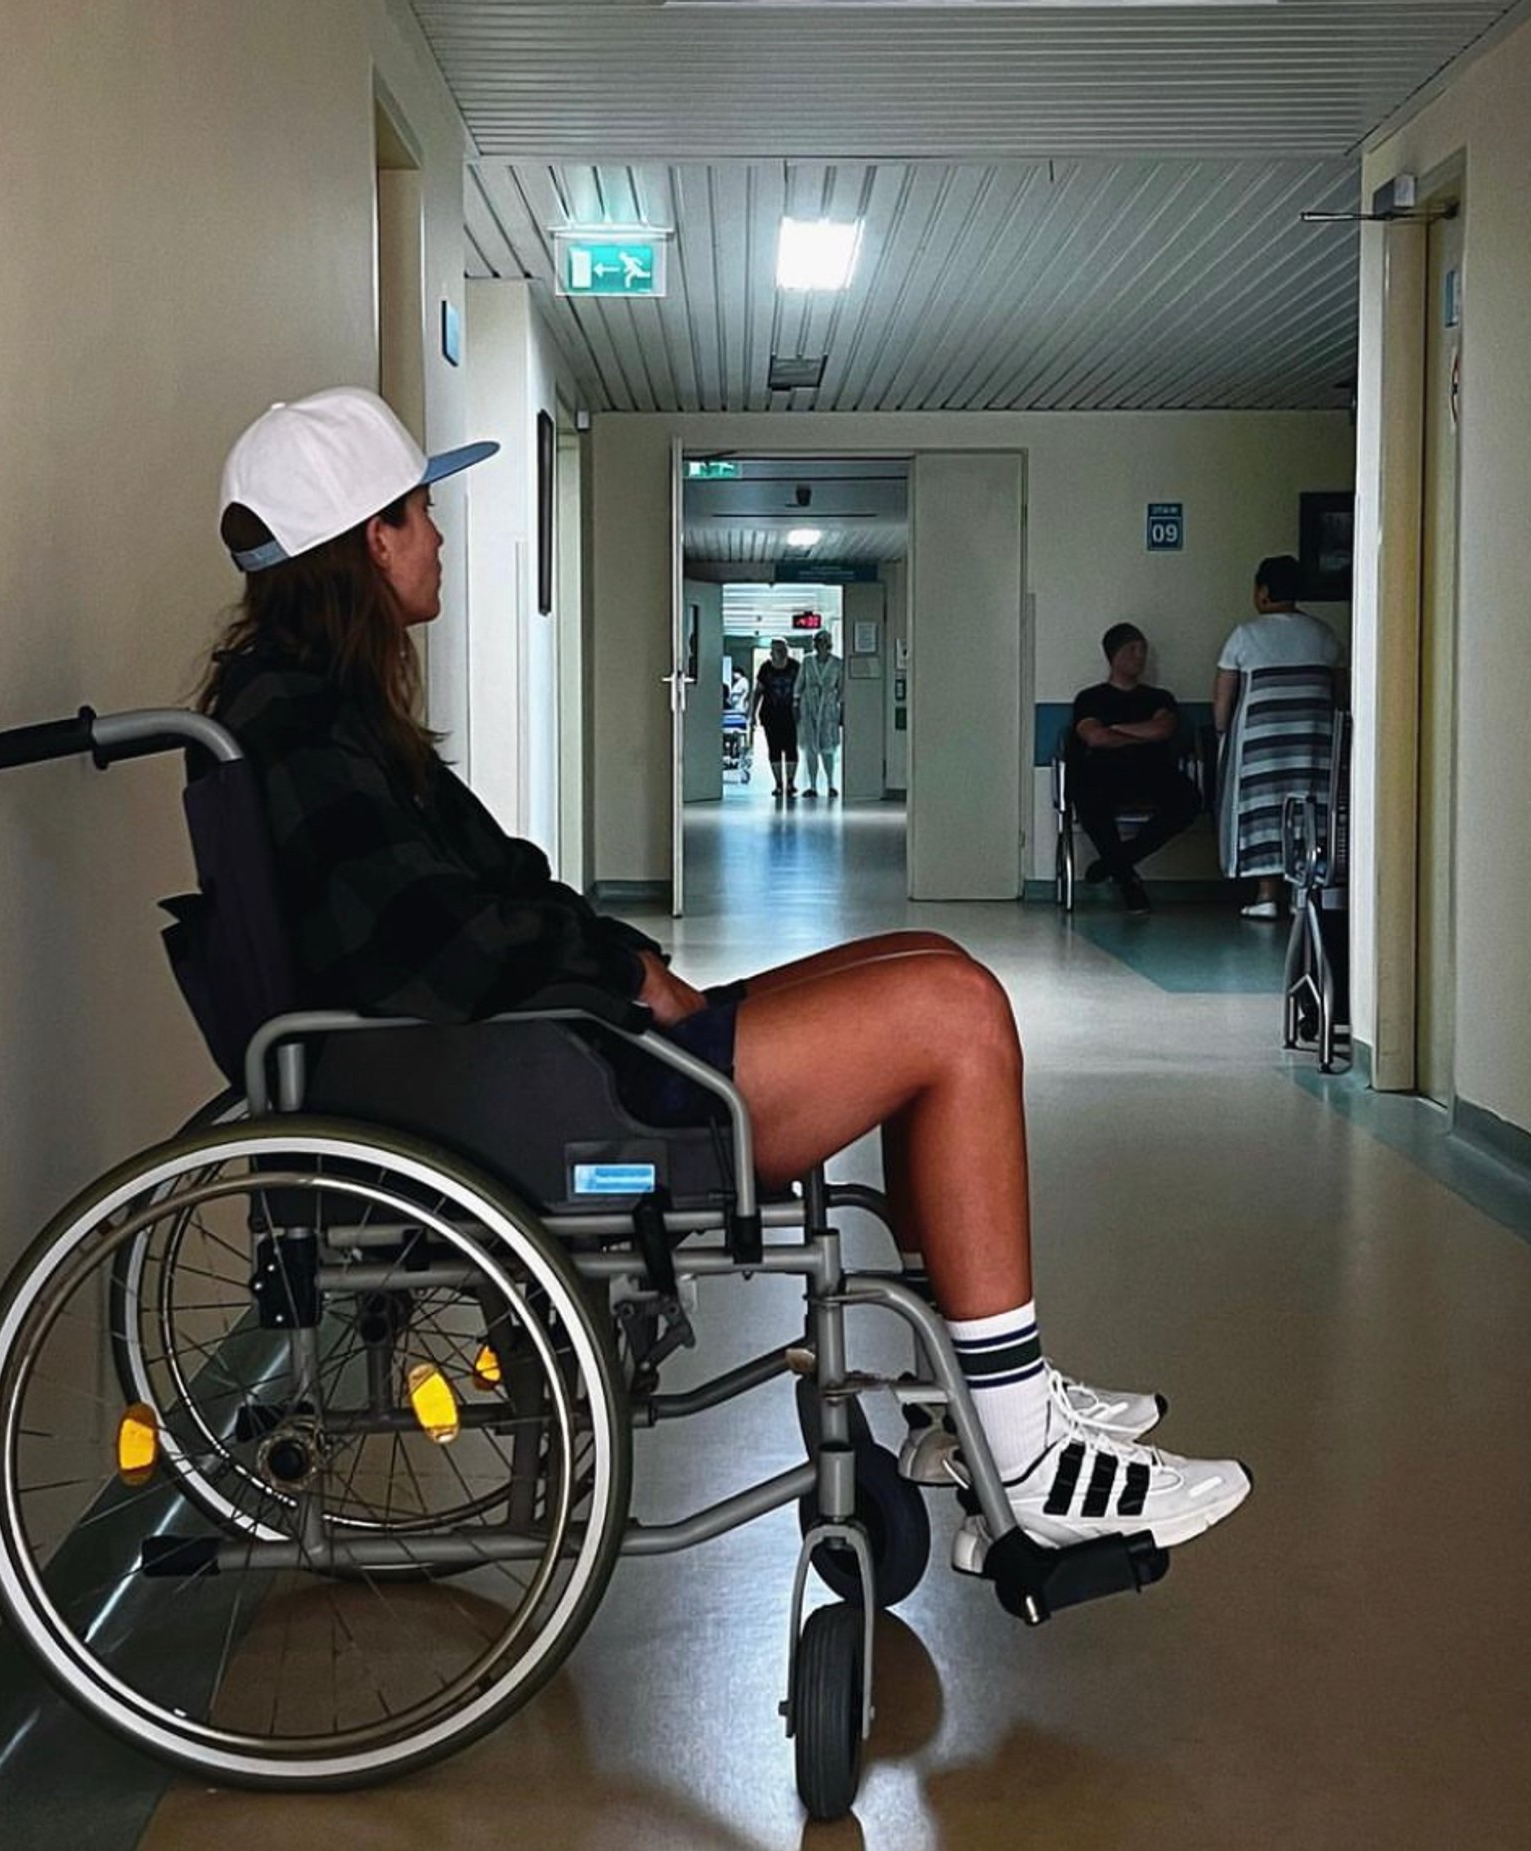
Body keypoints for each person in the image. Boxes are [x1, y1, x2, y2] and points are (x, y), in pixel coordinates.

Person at [203, 386, 1250, 1560]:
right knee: (954, 1013)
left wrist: (623, 960)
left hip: (541, 1049)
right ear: (368, 540)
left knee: (928, 959)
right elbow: (433, 942)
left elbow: (481, 898)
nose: (439, 536)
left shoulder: (320, 714)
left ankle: (966, 1397)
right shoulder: (308, 733)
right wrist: (622, 968)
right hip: (545, 1087)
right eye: (420, 512)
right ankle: (1022, 1449)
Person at [1213, 556, 1344, 919]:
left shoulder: (1245, 635)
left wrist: (1223, 735)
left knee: (1265, 812)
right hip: (1312, 744)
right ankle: (1302, 892)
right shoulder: (1324, 634)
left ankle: (1267, 894)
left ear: (1264, 591)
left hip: (1260, 746)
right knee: (1310, 809)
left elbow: (1223, 698)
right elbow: (1340, 695)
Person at [1069, 623, 1200, 914]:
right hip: (1104, 775)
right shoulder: (1090, 698)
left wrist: (1116, 730)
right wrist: (1142, 733)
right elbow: (1094, 736)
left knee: (1189, 799)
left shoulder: (1159, 698)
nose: (1139, 656)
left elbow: (1164, 729)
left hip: (1151, 772)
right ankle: (1126, 880)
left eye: (1143, 650)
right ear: (1113, 656)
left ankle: (1116, 862)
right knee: (1087, 796)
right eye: (1131, 649)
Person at [795, 628, 845, 799]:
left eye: (824, 642)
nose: (820, 645)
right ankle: (812, 785)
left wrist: (836, 704)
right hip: (809, 707)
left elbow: (842, 688)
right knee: (810, 748)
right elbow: (799, 683)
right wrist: (796, 703)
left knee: (827, 748)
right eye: (818, 642)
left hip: (828, 709)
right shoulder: (807, 661)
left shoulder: (837, 663)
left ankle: (831, 784)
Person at [751, 638, 800, 799]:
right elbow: (758, 692)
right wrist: (752, 714)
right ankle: (778, 783)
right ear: (771, 652)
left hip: (791, 715)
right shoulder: (765, 668)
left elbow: (803, 689)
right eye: (777, 650)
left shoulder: (795, 667)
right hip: (770, 715)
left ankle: (790, 783)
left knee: (791, 748)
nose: (780, 653)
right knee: (774, 749)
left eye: (783, 649)